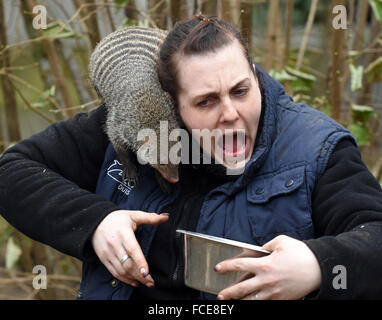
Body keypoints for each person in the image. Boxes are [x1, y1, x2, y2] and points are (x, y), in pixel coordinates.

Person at [1, 14, 382, 300]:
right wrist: (96, 222)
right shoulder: (134, 124)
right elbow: (12, 172)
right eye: (206, 102)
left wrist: (317, 265)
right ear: (173, 104)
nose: (230, 113)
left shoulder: (316, 148)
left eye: (240, 91)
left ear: (252, 73)